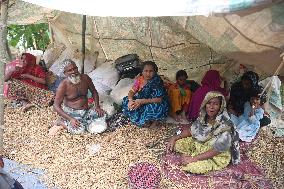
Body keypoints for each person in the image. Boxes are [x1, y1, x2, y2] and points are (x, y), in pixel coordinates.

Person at [166, 91, 239, 174]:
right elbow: (191, 130)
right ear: (205, 104)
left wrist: (193, 159)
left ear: (220, 106)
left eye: (215, 104)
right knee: (177, 144)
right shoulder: (203, 117)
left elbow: (217, 150)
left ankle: (194, 157)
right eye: (209, 103)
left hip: (215, 155)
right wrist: (174, 138)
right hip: (200, 145)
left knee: (192, 167)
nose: (211, 107)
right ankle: (192, 155)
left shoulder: (226, 125)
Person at [49, 59, 105, 136]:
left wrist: (97, 106)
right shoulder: (63, 85)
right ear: (65, 73)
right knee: (80, 130)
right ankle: (61, 122)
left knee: (103, 115)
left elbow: (94, 92)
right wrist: (71, 119)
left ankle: (85, 121)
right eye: (70, 70)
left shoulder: (85, 78)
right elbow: (56, 106)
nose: (73, 71)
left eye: (75, 68)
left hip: (86, 110)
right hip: (72, 113)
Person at [122, 61, 169, 128]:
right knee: (125, 100)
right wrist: (130, 100)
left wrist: (141, 101)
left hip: (154, 101)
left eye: (151, 71)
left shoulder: (156, 81)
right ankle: (144, 120)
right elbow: (132, 91)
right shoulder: (139, 80)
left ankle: (154, 121)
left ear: (155, 72)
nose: (148, 74)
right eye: (145, 71)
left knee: (156, 108)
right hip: (141, 100)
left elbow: (159, 99)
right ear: (142, 71)